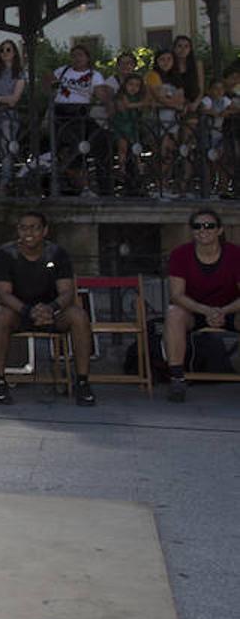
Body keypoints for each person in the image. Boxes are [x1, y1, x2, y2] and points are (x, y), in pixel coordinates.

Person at [0, 211, 96, 407]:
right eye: (23, 227)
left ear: (45, 230)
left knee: (79, 315)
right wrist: (28, 311)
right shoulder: (5, 253)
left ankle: (82, 382)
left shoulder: (57, 253)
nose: (28, 232)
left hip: (51, 314)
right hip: (20, 313)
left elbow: (67, 292)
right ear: (18, 230)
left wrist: (50, 308)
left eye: (34, 227)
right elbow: (2, 293)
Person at [163, 208, 240, 402]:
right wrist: (206, 311)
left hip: (230, 309)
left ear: (220, 230)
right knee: (173, 313)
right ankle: (177, 378)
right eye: (197, 226)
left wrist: (222, 311)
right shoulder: (180, 254)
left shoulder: (235, 254)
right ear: (192, 231)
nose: (202, 230)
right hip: (194, 310)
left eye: (209, 226)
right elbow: (177, 295)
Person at [49, 44, 111, 196]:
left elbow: (101, 94)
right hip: (62, 112)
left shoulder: (93, 75)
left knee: (100, 140)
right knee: (73, 147)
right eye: (74, 55)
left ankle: (105, 187)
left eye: (80, 55)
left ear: (87, 58)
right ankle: (80, 186)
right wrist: (51, 90)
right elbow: (48, 82)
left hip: (81, 112)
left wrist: (110, 103)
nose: (77, 58)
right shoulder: (63, 70)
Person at [145, 50, 188, 198]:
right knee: (160, 152)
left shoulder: (177, 78)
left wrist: (171, 101)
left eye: (169, 59)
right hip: (157, 119)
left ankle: (165, 183)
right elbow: (158, 97)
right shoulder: (152, 76)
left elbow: (181, 98)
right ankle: (158, 185)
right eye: (162, 59)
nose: (166, 62)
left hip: (172, 120)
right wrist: (173, 103)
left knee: (170, 151)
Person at [0, 40, 27, 193]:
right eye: (2, 50)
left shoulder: (19, 73)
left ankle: (4, 184)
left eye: (8, 50)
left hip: (9, 116)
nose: (5, 53)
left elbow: (14, 99)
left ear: (14, 53)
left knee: (6, 150)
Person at [111, 73, 150, 193]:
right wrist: (142, 104)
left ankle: (139, 169)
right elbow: (126, 105)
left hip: (133, 126)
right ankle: (121, 169)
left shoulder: (138, 97)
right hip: (122, 125)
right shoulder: (122, 96)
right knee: (122, 147)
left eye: (137, 85)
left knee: (136, 148)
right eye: (131, 84)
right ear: (125, 85)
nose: (133, 88)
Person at [199, 80, 235, 196]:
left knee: (222, 161)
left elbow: (234, 108)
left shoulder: (225, 101)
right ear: (209, 90)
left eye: (221, 89)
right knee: (209, 163)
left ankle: (223, 187)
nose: (219, 91)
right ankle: (208, 186)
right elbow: (202, 108)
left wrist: (227, 111)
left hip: (220, 135)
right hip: (208, 135)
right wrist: (213, 112)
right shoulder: (207, 100)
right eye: (215, 88)